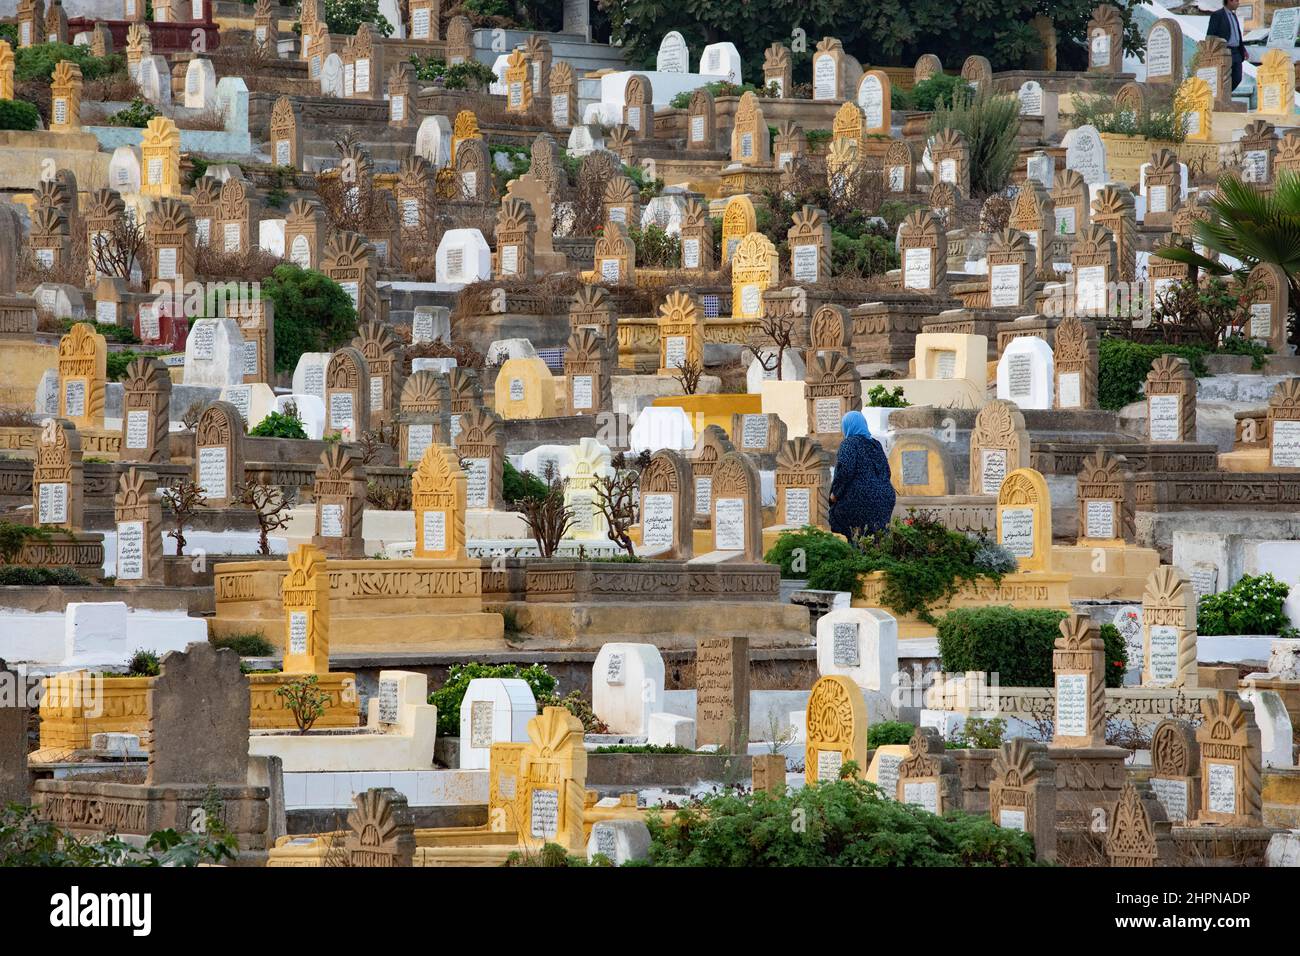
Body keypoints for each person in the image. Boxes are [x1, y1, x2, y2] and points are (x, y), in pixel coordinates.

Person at [828, 410, 895, 539]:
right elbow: (887, 471)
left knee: (836, 518)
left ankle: (850, 554)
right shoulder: (875, 444)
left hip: (860, 499)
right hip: (885, 499)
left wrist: (835, 494)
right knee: (877, 537)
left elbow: (845, 470)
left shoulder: (849, 444)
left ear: (847, 426)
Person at [1208, 0, 1246, 93]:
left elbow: (1237, 34)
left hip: (1237, 52)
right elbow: (1210, 35)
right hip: (1225, 51)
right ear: (1229, 1)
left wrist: (1243, 49)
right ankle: (1222, 97)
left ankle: (1225, 95)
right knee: (1224, 77)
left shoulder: (1234, 15)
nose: (1238, 3)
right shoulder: (1217, 15)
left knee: (1237, 77)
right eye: (1236, 1)